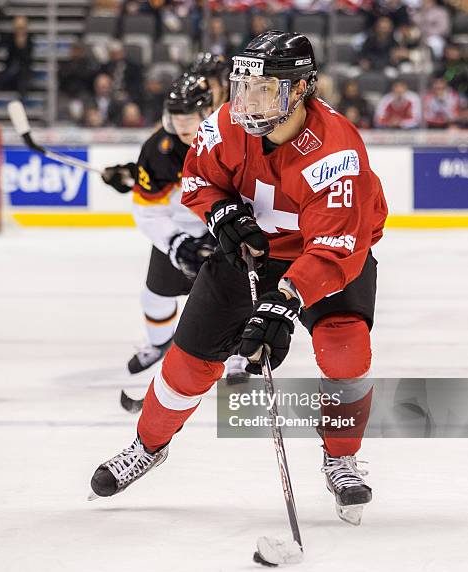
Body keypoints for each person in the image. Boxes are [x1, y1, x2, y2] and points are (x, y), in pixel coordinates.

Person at [90, 31, 388, 526]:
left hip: (330, 257)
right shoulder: (226, 123)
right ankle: (148, 445)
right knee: (187, 365)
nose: (247, 102)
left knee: (346, 348)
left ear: (301, 89)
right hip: (248, 256)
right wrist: (221, 211)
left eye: (265, 89)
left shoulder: (336, 150)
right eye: (243, 87)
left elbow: (337, 248)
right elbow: (197, 179)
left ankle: (341, 457)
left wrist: (283, 303)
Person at [101, 71, 249, 383]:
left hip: (223, 229)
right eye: (176, 118)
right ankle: (158, 343)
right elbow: (146, 209)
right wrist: (175, 241)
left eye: (188, 118)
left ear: (206, 112)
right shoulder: (158, 149)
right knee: (154, 296)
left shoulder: (232, 138)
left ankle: (237, 353)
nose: (182, 127)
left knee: (236, 296)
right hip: (179, 231)